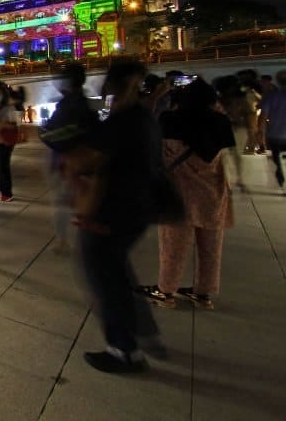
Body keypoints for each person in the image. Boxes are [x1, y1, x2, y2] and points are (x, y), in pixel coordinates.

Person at [66, 60, 163, 374]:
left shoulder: (119, 122)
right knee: (118, 273)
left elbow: (91, 164)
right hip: (138, 208)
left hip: (110, 212)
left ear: (112, 85)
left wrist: (85, 209)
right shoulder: (144, 117)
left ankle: (123, 349)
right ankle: (140, 334)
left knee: (106, 280)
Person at [138, 79, 235, 310]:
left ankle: (166, 290)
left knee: (173, 246)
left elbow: (155, 149)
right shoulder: (220, 122)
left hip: (178, 192)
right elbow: (226, 153)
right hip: (212, 192)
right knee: (211, 247)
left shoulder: (170, 120)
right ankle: (204, 293)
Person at [40, 63, 98, 253]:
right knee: (75, 201)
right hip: (77, 161)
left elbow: (54, 134)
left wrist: (43, 132)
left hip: (67, 161)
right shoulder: (82, 102)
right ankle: (71, 239)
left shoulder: (70, 105)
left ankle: (66, 240)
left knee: (66, 202)